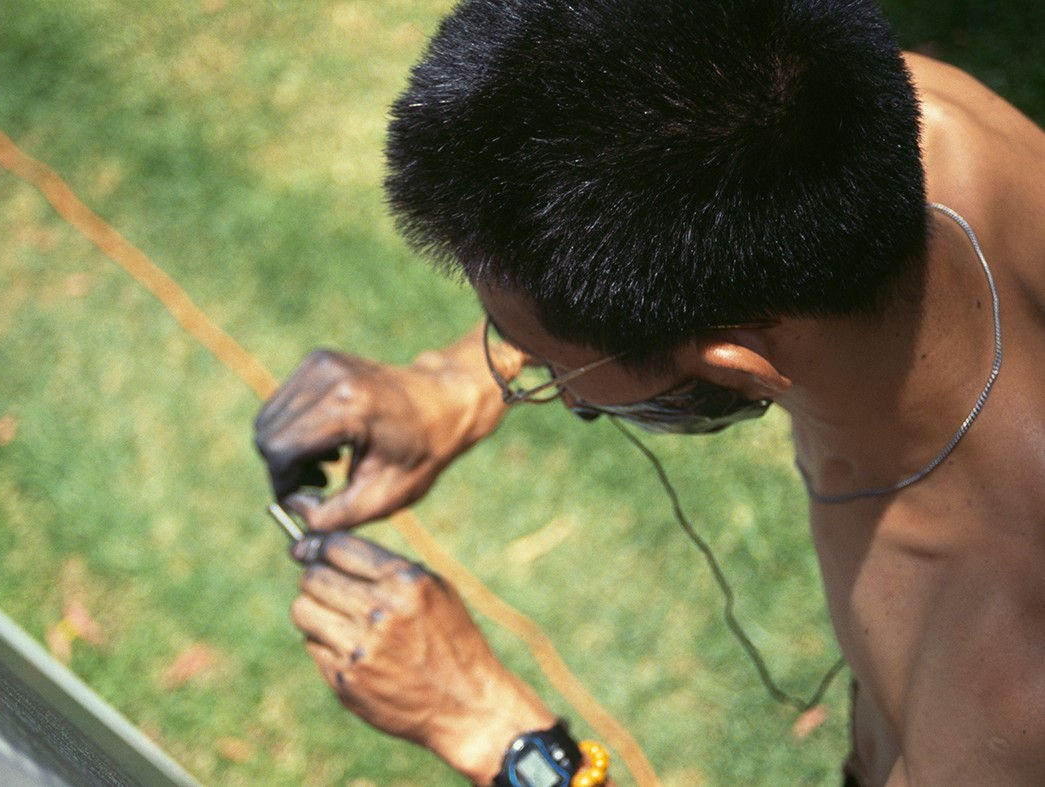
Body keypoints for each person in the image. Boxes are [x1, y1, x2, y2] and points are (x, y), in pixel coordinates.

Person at [255, 0, 1045, 783]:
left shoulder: (1002, 688)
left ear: (735, 368)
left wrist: (503, 738)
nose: (520, 371)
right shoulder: (867, 113)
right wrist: (447, 381)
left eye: (545, 365)